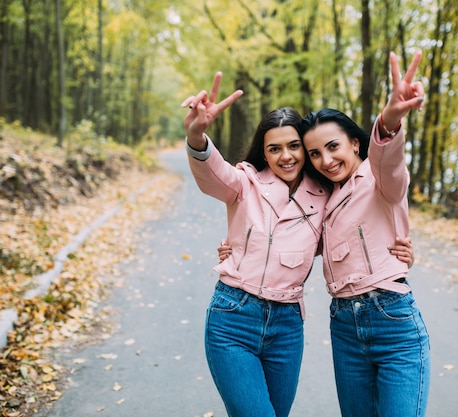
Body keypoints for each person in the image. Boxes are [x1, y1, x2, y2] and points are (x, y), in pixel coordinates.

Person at [181, 72, 412, 417]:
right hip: (233, 317)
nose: (286, 156)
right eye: (274, 149)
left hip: (287, 326)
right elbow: (213, 174)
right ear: (264, 151)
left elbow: (355, 228)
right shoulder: (244, 183)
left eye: (294, 147)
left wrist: (398, 249)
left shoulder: (325, 198)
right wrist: (197, 134)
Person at [300, 51, 430, 417]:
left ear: (355, 143)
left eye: (333, 146)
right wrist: (237, 249)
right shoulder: (324, 199)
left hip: (392, 322)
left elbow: (390, 162)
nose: (325, 160)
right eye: (314, 154)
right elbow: (294, 242)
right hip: (344, 326)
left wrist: (389, 120)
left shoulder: (377, 178)